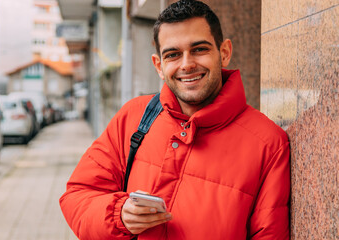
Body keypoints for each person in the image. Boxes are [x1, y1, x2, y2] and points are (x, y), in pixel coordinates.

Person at [59, 0, 290, 239]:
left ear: (224, 53)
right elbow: (78, 194)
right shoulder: (133, 116)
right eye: (173, 54)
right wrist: (119, 215)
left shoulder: (269, 143)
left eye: (199, 49)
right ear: (159, 65)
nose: (187, 64)